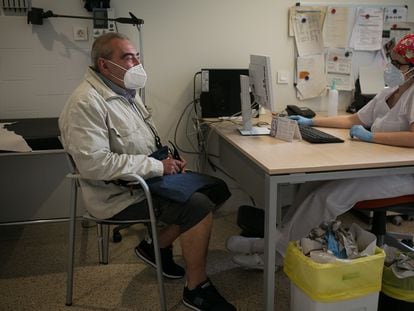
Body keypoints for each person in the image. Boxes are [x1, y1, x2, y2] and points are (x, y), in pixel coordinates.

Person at [59, 32, 236, 311]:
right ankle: (196, 288)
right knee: (197, 206)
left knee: (217, 188)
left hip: (147, 179)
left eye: (137, 56)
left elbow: (143, 142)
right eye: (128, 57)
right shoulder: (85, 103)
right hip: (118, 195)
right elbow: (94, 164)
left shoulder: (126, 93)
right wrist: (157, 167)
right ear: (104, 65)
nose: (136, 63)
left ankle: (155, 246)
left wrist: (169, 160)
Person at [226, 33, 414, 269]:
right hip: (375, 164)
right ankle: (273, 242)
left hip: (401, 174)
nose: (391, 67)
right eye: (391, 60)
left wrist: (372, 136)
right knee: (310, 185)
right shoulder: (389, 92)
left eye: (398, 64)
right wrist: (311, 122)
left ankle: (275, 257)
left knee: (326, 198)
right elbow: (354, 118)